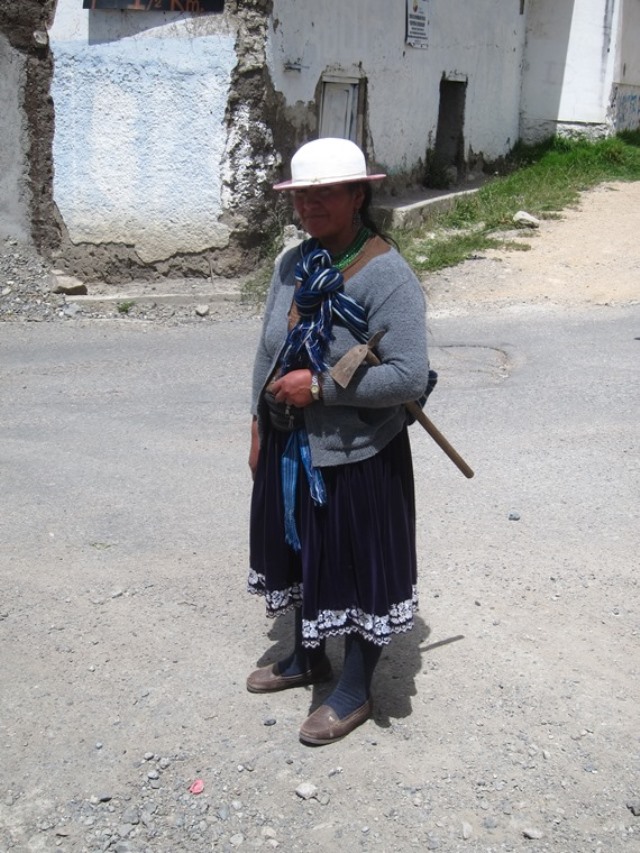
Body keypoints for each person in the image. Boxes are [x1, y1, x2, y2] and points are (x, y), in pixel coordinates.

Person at [247, 137, 431, 745]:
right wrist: (256, 424)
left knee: (353, 567)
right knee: (301, 555)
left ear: (358, 195)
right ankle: (307, 656)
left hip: (355, 458)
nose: (310, 206)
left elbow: (406, 374)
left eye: (325, 193)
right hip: (289, 443)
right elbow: (268, 351)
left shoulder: (387, 273)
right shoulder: (293, 264)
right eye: (302, 195)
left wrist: (322, 389)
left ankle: (354, 687)